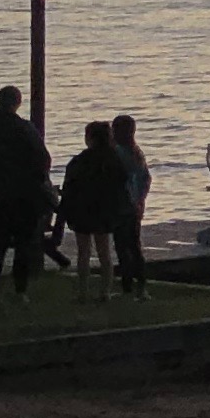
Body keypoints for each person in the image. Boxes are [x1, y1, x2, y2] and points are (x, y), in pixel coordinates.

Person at [0, 86, 46, 298]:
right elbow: (42, 160)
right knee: (23, 245)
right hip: (25, 195)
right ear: (18, 103)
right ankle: (20, 290)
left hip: (0, 194)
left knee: (0, 243)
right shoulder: (25, 129)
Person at [54, 120, 131, 299]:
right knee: (104, 252)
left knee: (84, 252)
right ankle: (105, 291)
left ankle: (83, 292)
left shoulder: (79, 161)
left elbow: (70, 187)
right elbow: (122, 186)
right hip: (105, 211)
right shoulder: (115, 160)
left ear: (89, 138)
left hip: (83, 210)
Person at [108, 113, 152, 294]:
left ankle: (127, 284)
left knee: (122, 247)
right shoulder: (137, 153)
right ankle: (141, 282)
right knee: (134, 245)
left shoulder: (117, 154)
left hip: (122, 205)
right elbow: (146, 179)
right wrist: (141, 199)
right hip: (135, 205)